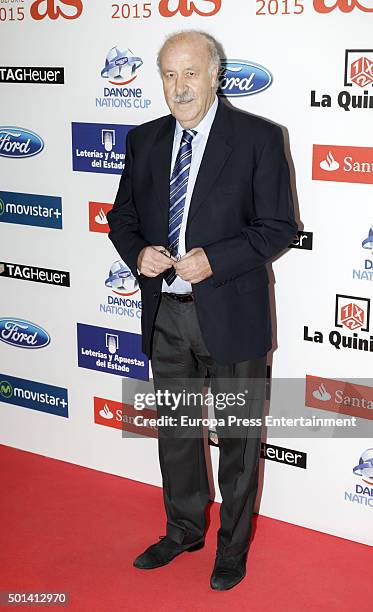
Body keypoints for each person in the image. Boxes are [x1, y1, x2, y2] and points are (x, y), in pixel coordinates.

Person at [107, 30, 297, 591]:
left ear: (216, 74)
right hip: (166, 313)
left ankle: (231, 549)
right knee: (178, 432)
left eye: (190, 73)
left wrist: (214, 260)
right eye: (169, 74)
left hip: (232, 316)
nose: (179, 86)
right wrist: (137, 250)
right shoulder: (144, 141)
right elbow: (122, 218)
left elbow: (279, 227)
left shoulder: (259, 138)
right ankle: (184, 529)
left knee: (239, 440)